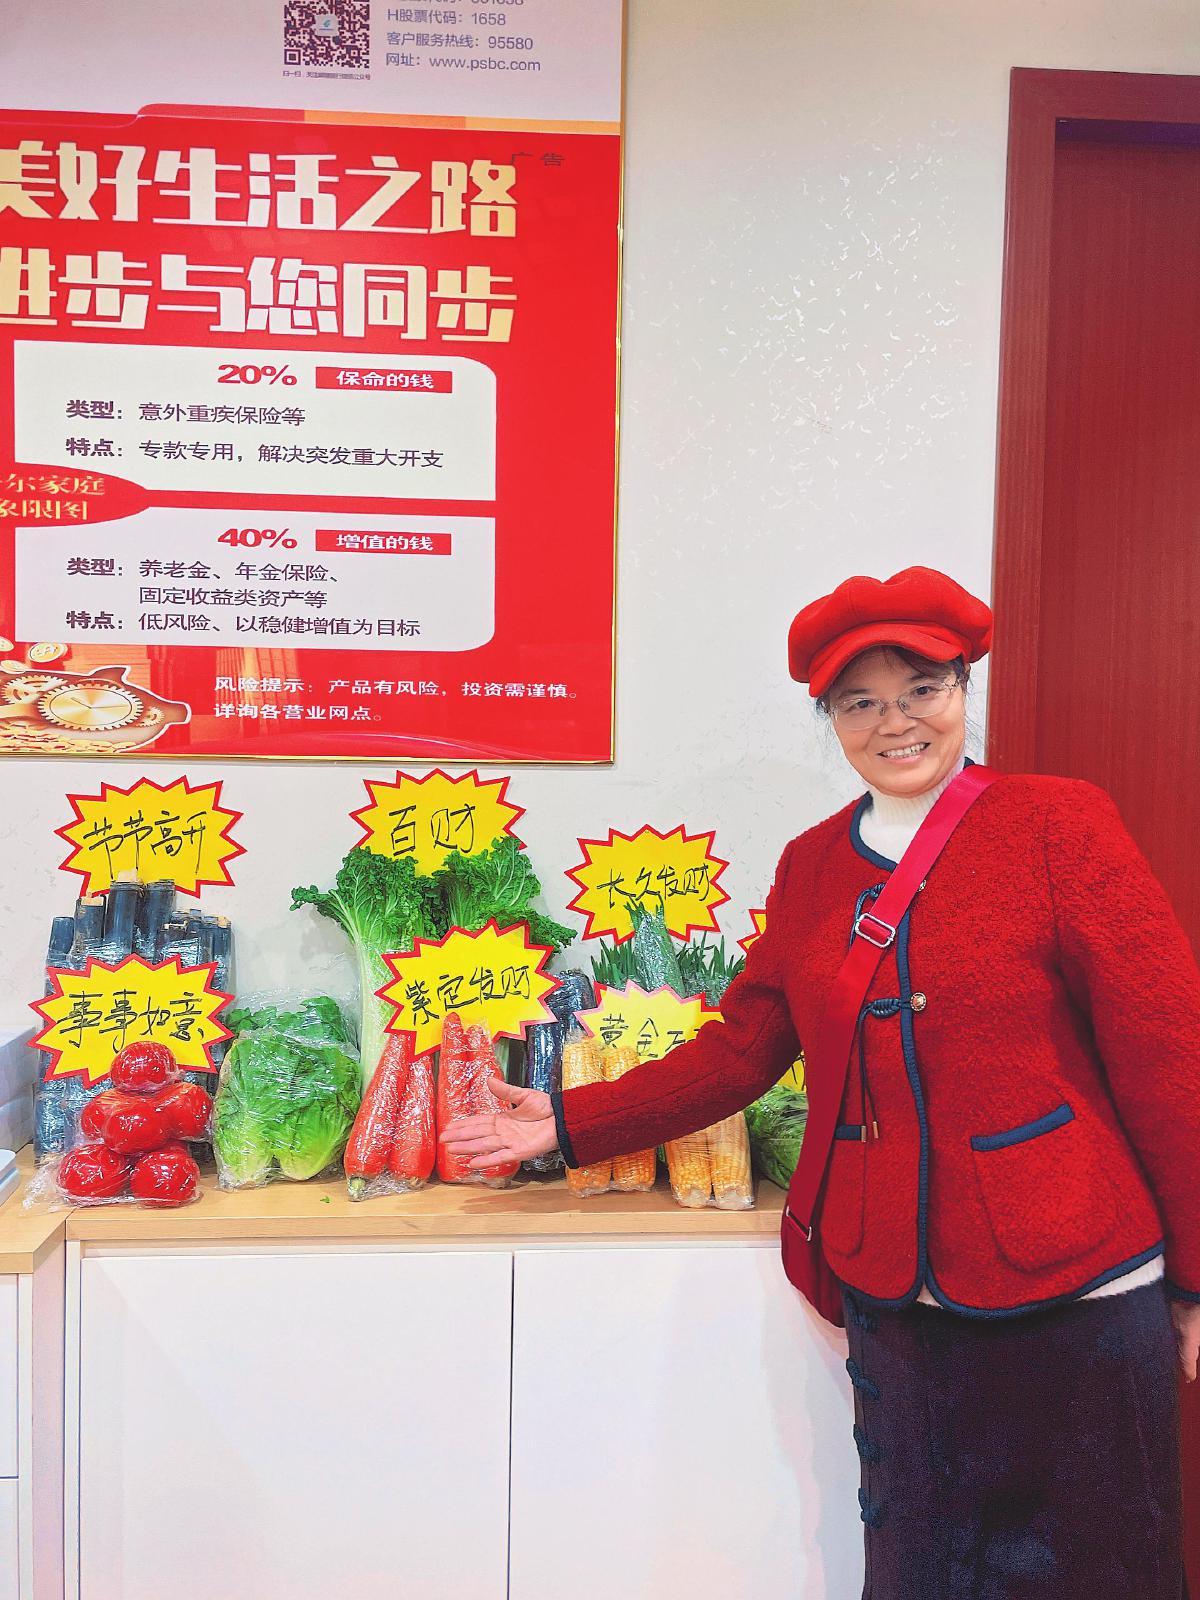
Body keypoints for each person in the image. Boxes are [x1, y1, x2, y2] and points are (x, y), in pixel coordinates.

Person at [441, 565, 1200, 1600]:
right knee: (923, 1569)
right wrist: (569, 1121)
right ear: (830, 720)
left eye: (922, 689)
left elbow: (1169, 1053)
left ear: (964, 689)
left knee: (1101, 1570)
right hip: (897, 1297)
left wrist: (1194, 1276)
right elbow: (739, 1051)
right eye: (859, 702)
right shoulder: (811, 868)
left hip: (1077, 1288)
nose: (896, 722)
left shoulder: (1058, 824)